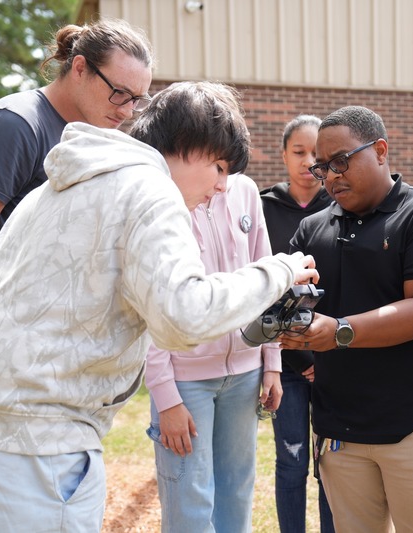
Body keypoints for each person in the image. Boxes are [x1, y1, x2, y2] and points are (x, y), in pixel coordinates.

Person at [0, 81, 319, 532]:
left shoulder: (76, 181)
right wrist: (279, 273)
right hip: (31, 442)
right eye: (219, 167)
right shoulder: (151, 192)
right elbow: (184, 315)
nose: (223, 186)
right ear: (186, 146)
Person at [279, 105, 413, 532]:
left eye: (342, 161)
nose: (331, 176)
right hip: (339, 428)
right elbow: (290, 303)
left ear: (380, 150)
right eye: (323, 167)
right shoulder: (311, 230)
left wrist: (340, 332)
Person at [0, 18, 154, 328]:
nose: (126, 111)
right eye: (119, 93)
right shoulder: (14, 127)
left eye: (137, 100)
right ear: (80, 68)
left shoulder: (95, 140)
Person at [144, 170, 282, 532]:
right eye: (216, 163)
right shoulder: (163, 193)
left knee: (237, 492)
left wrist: (272, 363)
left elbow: (265, 276)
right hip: (185, 382)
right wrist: (166, 397)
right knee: (189, 499)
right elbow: (150, 304)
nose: (222, 179)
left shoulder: (247, 190)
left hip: (246, 374)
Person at [260, 115, 335, 533]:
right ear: (284, 154)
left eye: (316, 154)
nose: (309, 162)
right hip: (283, 362)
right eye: (298, 152)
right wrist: (290, 352)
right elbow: (259, 288)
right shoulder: (262, 206)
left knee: (331, 465)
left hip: (331, 359)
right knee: (290, 462)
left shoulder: (341, 206)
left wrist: (321, 352)